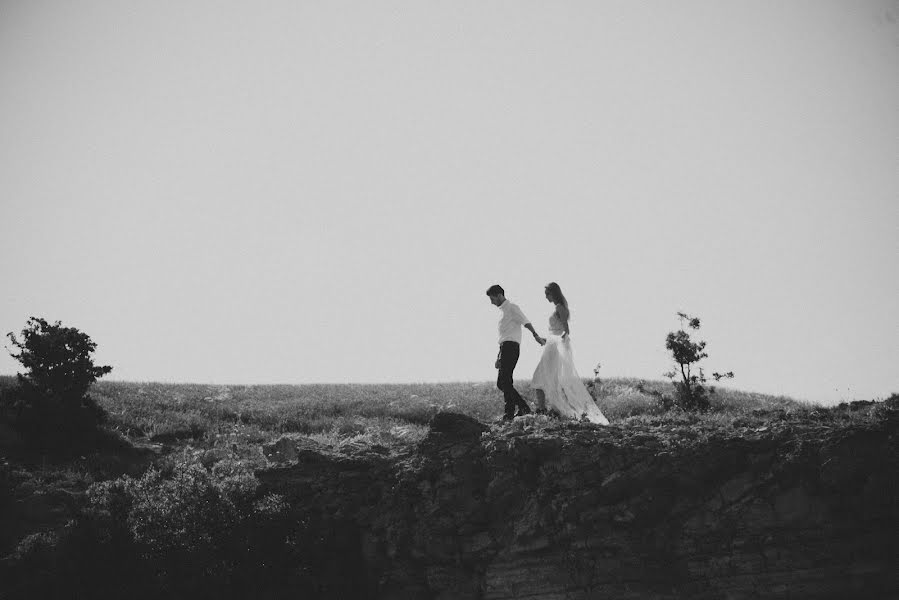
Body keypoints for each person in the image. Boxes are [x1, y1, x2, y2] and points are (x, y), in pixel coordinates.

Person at [532, 282, 609, 425]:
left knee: (539, 377)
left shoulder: (559, 308)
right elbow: (558, 332)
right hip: (551, 344)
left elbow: (566, 331)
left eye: (547, 294)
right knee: (545, 379)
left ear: (553, 293)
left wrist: (557, 342)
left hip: (554, 347)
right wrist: (545, 339)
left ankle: (544, 409)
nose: (546, 297)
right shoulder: (559, 307)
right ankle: (548, 409)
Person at [486, 284, 543, 421]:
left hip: (511, 347)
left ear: (499, 295)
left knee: (505, 381)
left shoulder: (512, 308)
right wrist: (498, 356)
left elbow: (526, 322)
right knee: (502, 383)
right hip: (504, 348)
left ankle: (509, 413)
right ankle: (523, 407)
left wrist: (536, 335)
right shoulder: (502, 312)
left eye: (492, 298)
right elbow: (503, 337)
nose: (491, 302)